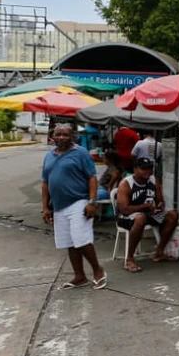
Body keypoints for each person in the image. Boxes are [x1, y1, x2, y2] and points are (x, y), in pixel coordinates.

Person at [41, 123, 105, 290]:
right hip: (58, 206)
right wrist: (45, 207)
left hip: (79, 201)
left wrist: (92, 202)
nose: (62, 137)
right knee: (69, 242)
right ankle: (79, 275)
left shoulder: (81, 153)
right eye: (58, 134)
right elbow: (45, 182)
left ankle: (98, 271)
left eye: (66, 135)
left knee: (81, 239)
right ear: (52, 136)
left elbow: (92, 177)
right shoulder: (49, 156)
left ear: (72, 137)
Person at [115, 157, 179, 272]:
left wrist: (159, 206)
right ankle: (129, 259)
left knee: (173, 215)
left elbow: (160, 201)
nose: (147, 172)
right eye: (143, 169)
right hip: (126, 217)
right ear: (135, 169)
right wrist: (144, 207)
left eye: (149, 169)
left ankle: (159, 252)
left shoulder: (153, 180)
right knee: (140, 218)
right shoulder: (126, 183)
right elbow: (124, 209)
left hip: (148, 214)